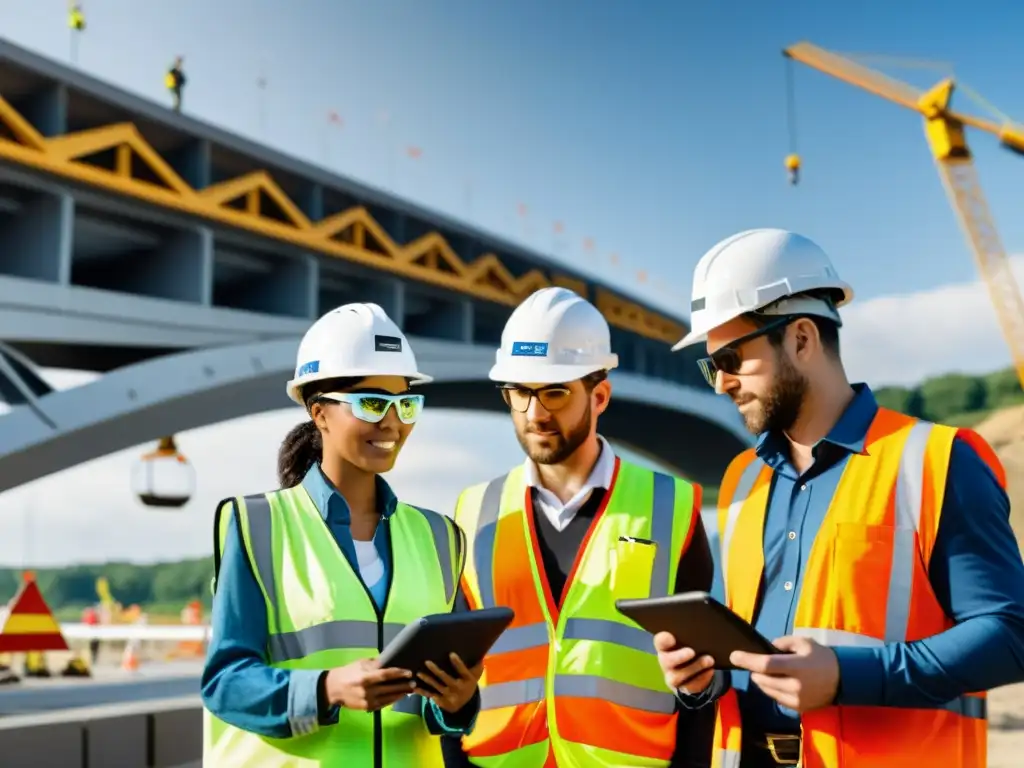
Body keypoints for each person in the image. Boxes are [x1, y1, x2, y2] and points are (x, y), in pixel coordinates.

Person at [658, 228, 1024, 768]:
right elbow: (729, 649)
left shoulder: (936, 461)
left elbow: (1010, 634)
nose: (721, 384)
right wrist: (698, 677)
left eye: (732, 358)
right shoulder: (741, 479)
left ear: (801, 338)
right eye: (712, 365)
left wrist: (846, 676)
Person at [442, 286, 719, 768]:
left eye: (554, 393)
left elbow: (702, 687)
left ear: (600, 396)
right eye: (519, 393)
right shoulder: (473, 512)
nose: (535, 414)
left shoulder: (672, 509)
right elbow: (452, 681)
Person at [201, 302, 483, 767]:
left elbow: (445, 709)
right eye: (371, 403)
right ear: (320, 413)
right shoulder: (257, 525)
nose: (392, 422)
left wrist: (458, 701)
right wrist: (327, 688)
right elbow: (225, 682)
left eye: (405, 403)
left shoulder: (440, 537)